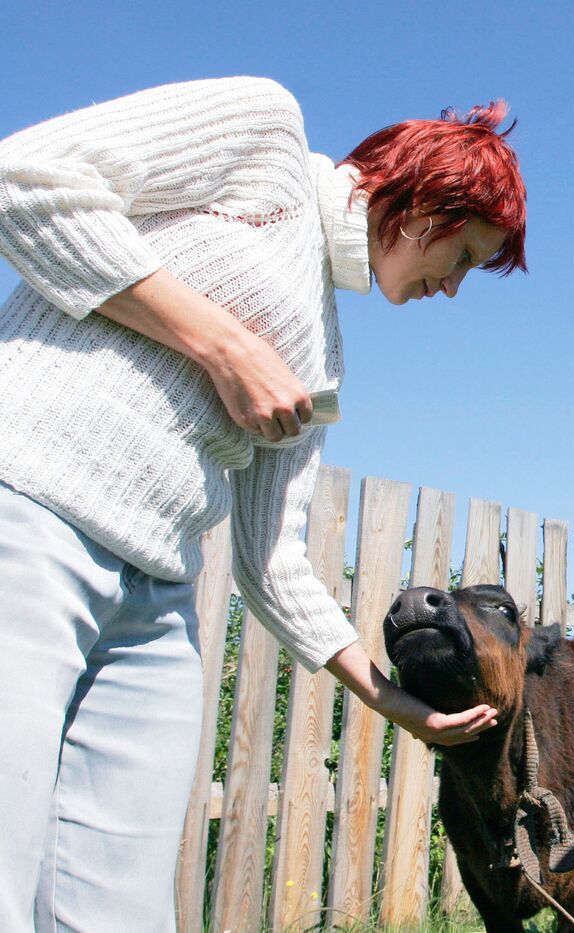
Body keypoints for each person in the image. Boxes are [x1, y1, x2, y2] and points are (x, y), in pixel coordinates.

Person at [0, 77, 526, 931]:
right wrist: (221, 343)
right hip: (27, 513)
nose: (454, 287)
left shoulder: (324, 352)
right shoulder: (267, 142)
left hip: (155, 602)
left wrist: (394, 703)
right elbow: (24, 177)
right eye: (463, 255)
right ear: (430, 195)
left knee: (120, 909)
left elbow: (270, 557)